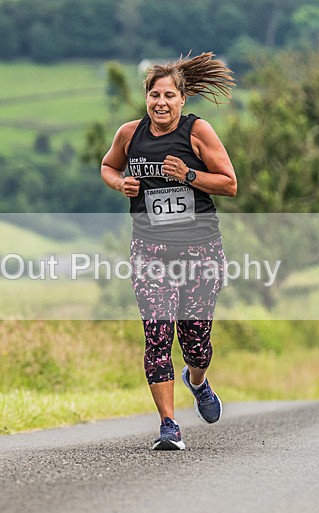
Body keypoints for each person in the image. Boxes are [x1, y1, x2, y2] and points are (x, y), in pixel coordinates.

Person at [100, 52, 236, 450]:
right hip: (150, 250)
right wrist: (119, 184)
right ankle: (169, 425)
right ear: (146, 98)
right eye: (154, 95)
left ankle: (197, 381)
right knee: (157, 335)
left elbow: (229, 183)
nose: (161, 103)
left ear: (182, 100)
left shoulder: (198, 133)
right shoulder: (129, 135)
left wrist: (189, 175)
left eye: (169, 96)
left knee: (196, 342)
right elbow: (109, 167)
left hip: (199, 249)